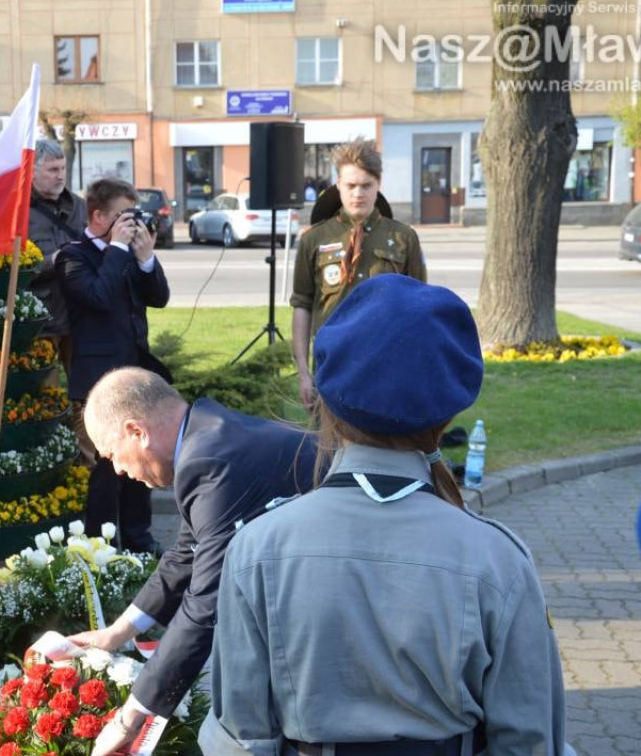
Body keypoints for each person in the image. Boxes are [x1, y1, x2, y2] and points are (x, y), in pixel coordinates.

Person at [201, 274, 574, 756]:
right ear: (446, 416)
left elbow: (240, 740)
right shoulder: (498, 561)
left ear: (327, 401)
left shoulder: (257, 548)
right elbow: (529, 741)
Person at [66, 367, 320, 756]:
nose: (116, 469)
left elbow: (205, 607)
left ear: (136, 431)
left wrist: (129, 718)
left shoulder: (211, 461)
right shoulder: (202, 441)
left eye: (112, 454)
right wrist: (115, 634)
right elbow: (186, 553)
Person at [56, 179, 170, 553]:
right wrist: (119, 248)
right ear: (98, 216)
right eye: (123, 215)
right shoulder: (73, 256)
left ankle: (139, 539)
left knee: (140, 460)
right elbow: (99, 297)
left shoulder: (128, 253)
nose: (131, 223)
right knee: (104, 470)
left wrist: (146, 258)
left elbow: (159, 297)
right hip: (96, 382)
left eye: (134, 214)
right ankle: (102, 548)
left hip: (135, 376)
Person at [291, 139, 427, 410]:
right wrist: (303, 372)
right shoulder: (314, 239)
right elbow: (302, 304)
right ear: (338, 184)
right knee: (328, 434)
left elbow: (419, 307)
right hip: (331, 363)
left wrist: (413, 368)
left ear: (378, 185)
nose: (358, 194)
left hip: (385, 363)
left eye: (366, 185)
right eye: (351, 185)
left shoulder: (403, 238)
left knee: (381, 434)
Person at [27, 139, 87, 374]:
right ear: (32, 171)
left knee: (86, 389)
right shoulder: (18, 212)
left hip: (79, 318)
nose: (60, 175)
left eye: (63, 168)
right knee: (43, 389)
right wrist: (53, 261)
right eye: (53, 170)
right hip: (41, 323)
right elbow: (12, 270)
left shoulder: (80, 207)